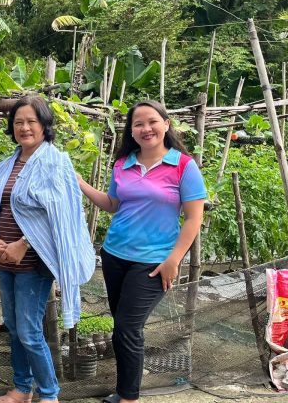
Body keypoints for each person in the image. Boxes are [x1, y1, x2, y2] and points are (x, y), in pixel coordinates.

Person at [78, 100, 205, 403]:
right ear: (131, 131)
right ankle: (124, 391)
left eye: (152, 121)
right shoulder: (123, 164)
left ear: (166, 124)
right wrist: (80, 182)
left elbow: (194, 218)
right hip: (114, 255)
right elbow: (113, 204)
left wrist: (173, 260)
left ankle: (130, 397)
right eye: (138, 124)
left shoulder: (183, 166)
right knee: (122, 326)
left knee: (128, 327)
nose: (146, 128)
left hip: (153, 262)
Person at [0, 96, 94, 403]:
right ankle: (21, 389)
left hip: (33, 262)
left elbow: (60, 215)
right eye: (18, 122)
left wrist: (23, 243)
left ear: (45, 126)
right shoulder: (5, 165)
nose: (24, 127)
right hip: (3, 259)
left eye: (31, 121)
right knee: (15, 328)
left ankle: (49, 394)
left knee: (30, 331)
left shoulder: (56, 162)